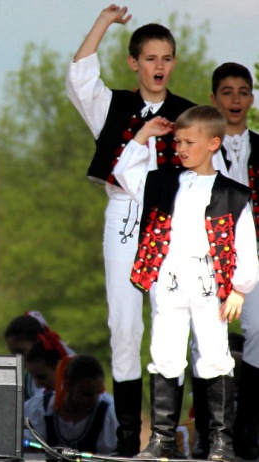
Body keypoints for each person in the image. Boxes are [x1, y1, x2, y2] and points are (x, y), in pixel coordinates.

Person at [66, 4, 195, 455]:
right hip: (123, 213)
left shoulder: (188, 114)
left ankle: (162, 433)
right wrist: (103, 23)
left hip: (171, 217)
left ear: (173, 63)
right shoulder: (113, 106)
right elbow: (80, 77)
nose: (159, 67)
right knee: (123, 323)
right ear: (133, 62)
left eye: (166, 58)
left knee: (168, 318)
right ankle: (126, 434)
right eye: (150, 58)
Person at [114, 105, 258, 462]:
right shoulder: (162, 182)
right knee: (164, 352)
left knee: (214, 354)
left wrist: (240, 288)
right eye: (177, 142)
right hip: (169, 276)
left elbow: (244, 242)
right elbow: (124, 173)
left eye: (188, 142)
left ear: (213, 143)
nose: (180, 148)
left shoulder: (233, 193)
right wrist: (144, 135)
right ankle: (162, 438)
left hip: (209, 278)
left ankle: (220, 441)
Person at [208, 63, 259, 460]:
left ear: (251, 99)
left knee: (257, 334)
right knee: (208, 340)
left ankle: (246, 429)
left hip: (255, 256)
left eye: (243, 92)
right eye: (227, 92)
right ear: (214, 100)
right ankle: (212, 434)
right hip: (212, 255)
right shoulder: (203, 148)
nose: (236, 100)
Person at [24, 355, 117, 455]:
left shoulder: (105, 415)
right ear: (68, 385)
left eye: (99, 392)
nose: (94, 399)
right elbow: (29, 449)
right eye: (86, 394)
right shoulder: (41, 408)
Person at [4, 312, 73, 400]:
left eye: (21, 351)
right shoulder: (24, 385)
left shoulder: (71, 378)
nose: (17, 358)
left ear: (38, 343)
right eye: (13, 353)